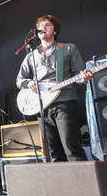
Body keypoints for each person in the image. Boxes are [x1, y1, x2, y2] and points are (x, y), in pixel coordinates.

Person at [16, 15, 93, 162]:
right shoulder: (31, 54)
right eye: (41, 25)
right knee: (53, 152)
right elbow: (20, 80)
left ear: (55, 31)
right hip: (43, 106)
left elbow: (79, 73)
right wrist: (29, 83)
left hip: (65, 101)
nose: (43, 28)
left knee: (71, 148)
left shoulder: (69, 48)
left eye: (47, 25)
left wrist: (84, 78)